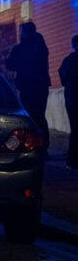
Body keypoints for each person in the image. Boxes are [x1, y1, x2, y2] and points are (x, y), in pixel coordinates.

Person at [6, 21, 51, 133]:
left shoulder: (20, 48)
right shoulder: (41, 47)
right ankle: (44, 140)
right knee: (40, 114)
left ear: (24, 33)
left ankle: (33, 140)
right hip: (41, 86)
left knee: (29, 115)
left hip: (26, 86)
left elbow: (9, 64)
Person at [58, 34, 78, 169]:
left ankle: (72, 161)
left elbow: (63, 78)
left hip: (72, 97)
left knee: (75, 129)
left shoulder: (69, 61)